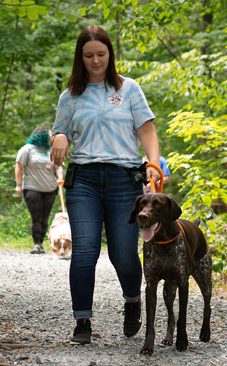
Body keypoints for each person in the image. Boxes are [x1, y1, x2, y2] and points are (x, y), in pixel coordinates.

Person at [50, 25, 161, 345]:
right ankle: (82, 320)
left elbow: (148, 131)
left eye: (101, 54)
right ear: (79, 58)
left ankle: (132, 301)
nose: (95, 60)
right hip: (83, 179)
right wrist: (58, 136)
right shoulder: (69, 96)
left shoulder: (129, 89)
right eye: (88, 56)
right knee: (84, 251)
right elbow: (61, 135)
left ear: (110, 55)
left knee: (124, 254)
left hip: (124, 180)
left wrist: (153, 164)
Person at [15, 125, 63, 254]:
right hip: (32, 187)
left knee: (45, 217)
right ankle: (37, 244)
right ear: (41, 135)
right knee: (36, 216)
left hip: (50, 188)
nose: (52, 136)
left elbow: (58, 166)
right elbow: (18, 167)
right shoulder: (27, 150)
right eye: (49, 133)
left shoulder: (52, 150)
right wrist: (18, 185)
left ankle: (41, 242)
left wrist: (60, 178)